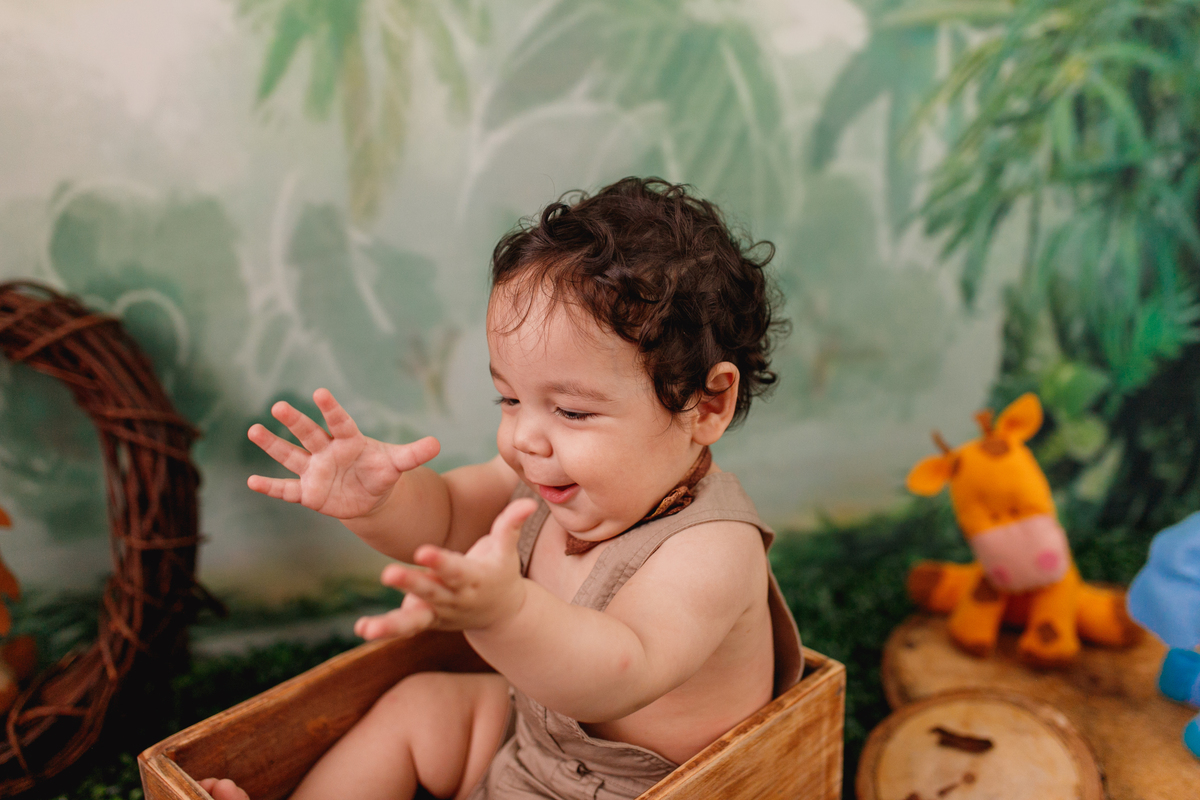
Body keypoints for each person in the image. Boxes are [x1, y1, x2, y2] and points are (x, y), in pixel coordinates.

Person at [200, 177, 802, 800]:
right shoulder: (540, 475)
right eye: (510, 399)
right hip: (535, 740)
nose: (526, 440)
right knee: (422, 707)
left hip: (638, 790)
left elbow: (619, 671)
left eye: (572, 411)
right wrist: (380, 501)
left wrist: (504, 613)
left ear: (706, 403)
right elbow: (448, 516)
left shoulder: (713, 549)